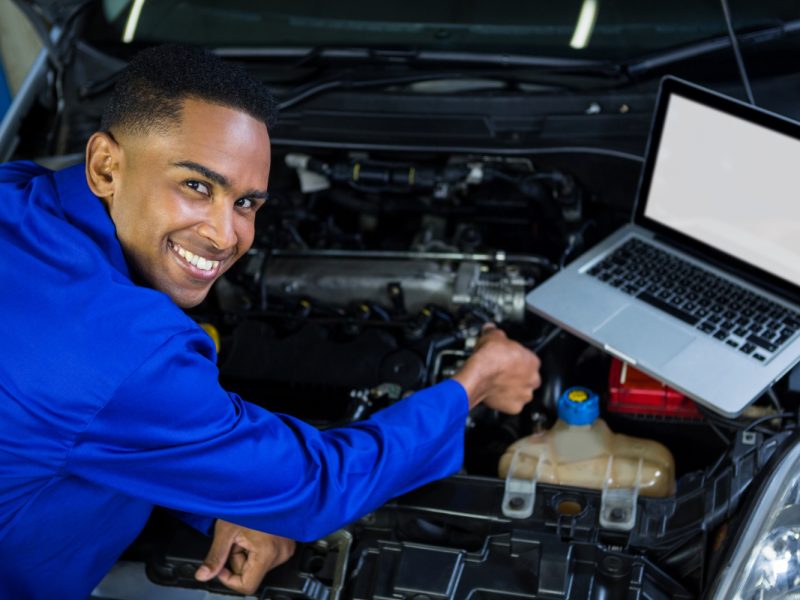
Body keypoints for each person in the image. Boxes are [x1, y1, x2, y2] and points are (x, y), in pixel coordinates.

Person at [0, 45, 541, 599]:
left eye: (248, 203)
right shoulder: (126, 349)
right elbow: (316, 484)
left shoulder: (13, 193)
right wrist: (472, 388)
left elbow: (84, 422)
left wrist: (223, 497)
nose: (224, 235)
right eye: (196, 186)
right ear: (104, 166)